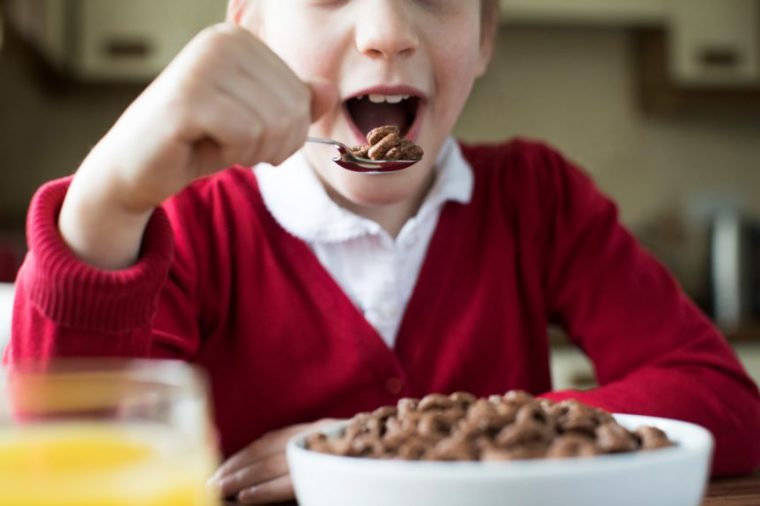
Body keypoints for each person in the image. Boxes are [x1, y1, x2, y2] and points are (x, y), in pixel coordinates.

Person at [7, 0, 760, 503]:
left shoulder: (539, 200)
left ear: (485, 34)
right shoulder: (189, 226)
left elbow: (726, 402)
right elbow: (63, 463)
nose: (387, 31)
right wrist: (107, 200)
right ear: (251, 27)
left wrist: (400, 443)